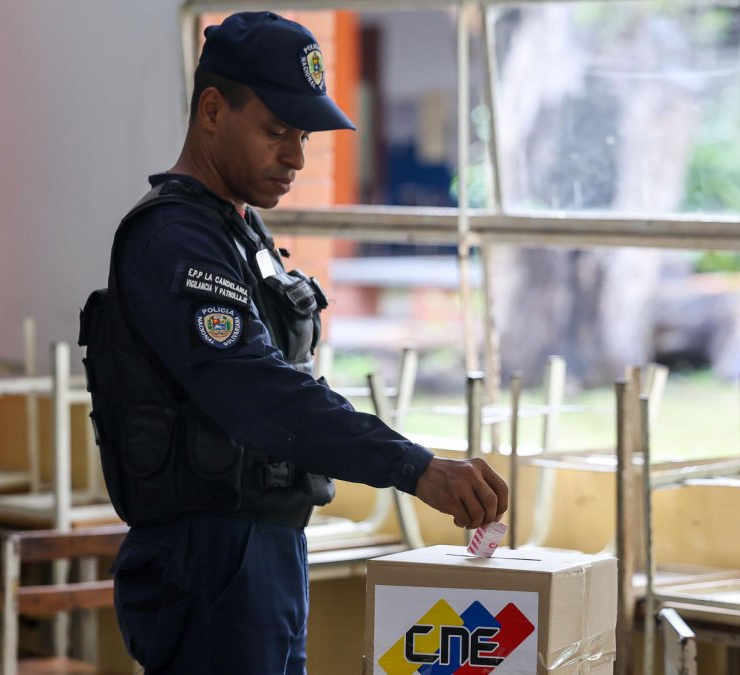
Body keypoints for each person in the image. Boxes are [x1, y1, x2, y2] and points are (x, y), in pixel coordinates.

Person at [78, 11, 509, 674]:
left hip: (266, 550)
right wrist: (415, 467)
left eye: (302, 135)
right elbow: (260, 392)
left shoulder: (241, 236)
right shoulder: (174, 239)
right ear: (213, 110)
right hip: (210, 562)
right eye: (276, 131)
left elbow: (291, 381)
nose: (296, 158)